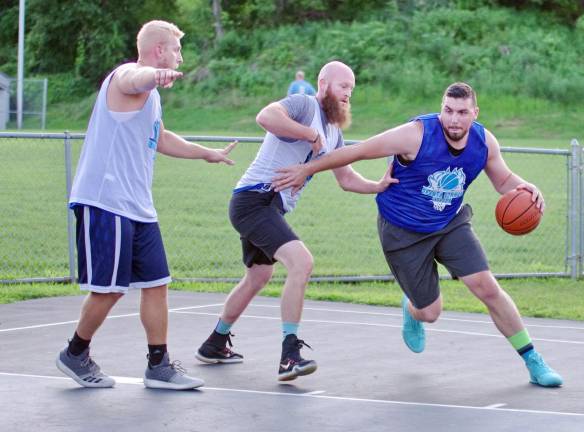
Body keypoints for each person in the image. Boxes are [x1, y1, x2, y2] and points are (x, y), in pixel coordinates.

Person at [272, 82, 563, 387]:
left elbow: (503, 179)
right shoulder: (415, 134)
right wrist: (307, 169)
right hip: (402, 230)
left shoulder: (484, 142)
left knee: (487, 287)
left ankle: (533, 361)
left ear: (474, 113)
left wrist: (526, 187)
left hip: (449, 223)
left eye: (462, 112)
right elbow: (356, 152)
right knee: (430, 313)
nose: (453, 119)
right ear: (441, 108)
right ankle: (412, 309)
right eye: (448, 110)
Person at [56, 20, 237, 390]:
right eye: (176, 50)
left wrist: (207, 154)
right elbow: (132, 79)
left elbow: (161, 137)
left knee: (157, 284)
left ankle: (159, 366)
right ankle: (75, 353)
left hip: (138, 206)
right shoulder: (127, 76)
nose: (180, 56)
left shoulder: (151, 96)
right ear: (159, 51)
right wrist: (154, 74)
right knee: (108, 290)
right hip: (106, 201)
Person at [195, 61, 395, 381]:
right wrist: (308, 133)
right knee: (301, 263)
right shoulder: (305, 106)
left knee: (258, 277)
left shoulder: (334, 130)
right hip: (253, 200)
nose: (348, 94)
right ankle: (290, 356)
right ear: (323, 83)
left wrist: (377, 186)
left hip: (268, 207)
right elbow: (265, 116)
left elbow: (345, 178)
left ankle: (215, 343)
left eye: (352, 90)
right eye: (343, 86)